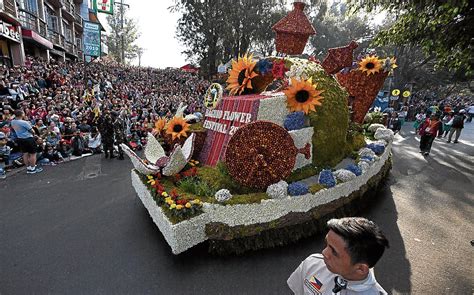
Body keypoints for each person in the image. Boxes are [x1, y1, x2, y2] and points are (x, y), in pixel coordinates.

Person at [287, 217, 389, 294]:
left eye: (334, 252)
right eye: (326, 244)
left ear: (361, 269)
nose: (324, 253)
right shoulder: (313, 264)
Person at [10, 110, 43, 174]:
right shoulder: (24, 122)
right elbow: (32, 131)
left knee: (25, 154)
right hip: (28, 139)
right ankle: (33, 169)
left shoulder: (13, 122)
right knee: (33, 154)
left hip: (20, 139)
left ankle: (28, 168)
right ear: (21, 114)